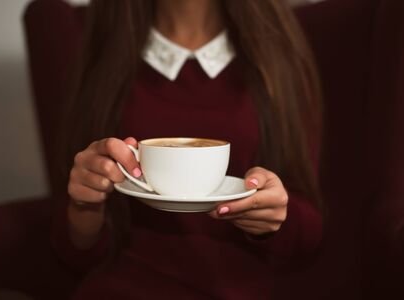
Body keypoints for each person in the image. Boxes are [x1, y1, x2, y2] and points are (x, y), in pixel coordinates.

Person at [52, 0, 323, 298]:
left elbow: (309, 235)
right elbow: (75, 255)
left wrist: (273, 217)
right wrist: (85, 204)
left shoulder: (277, 54)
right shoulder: (101, 52)